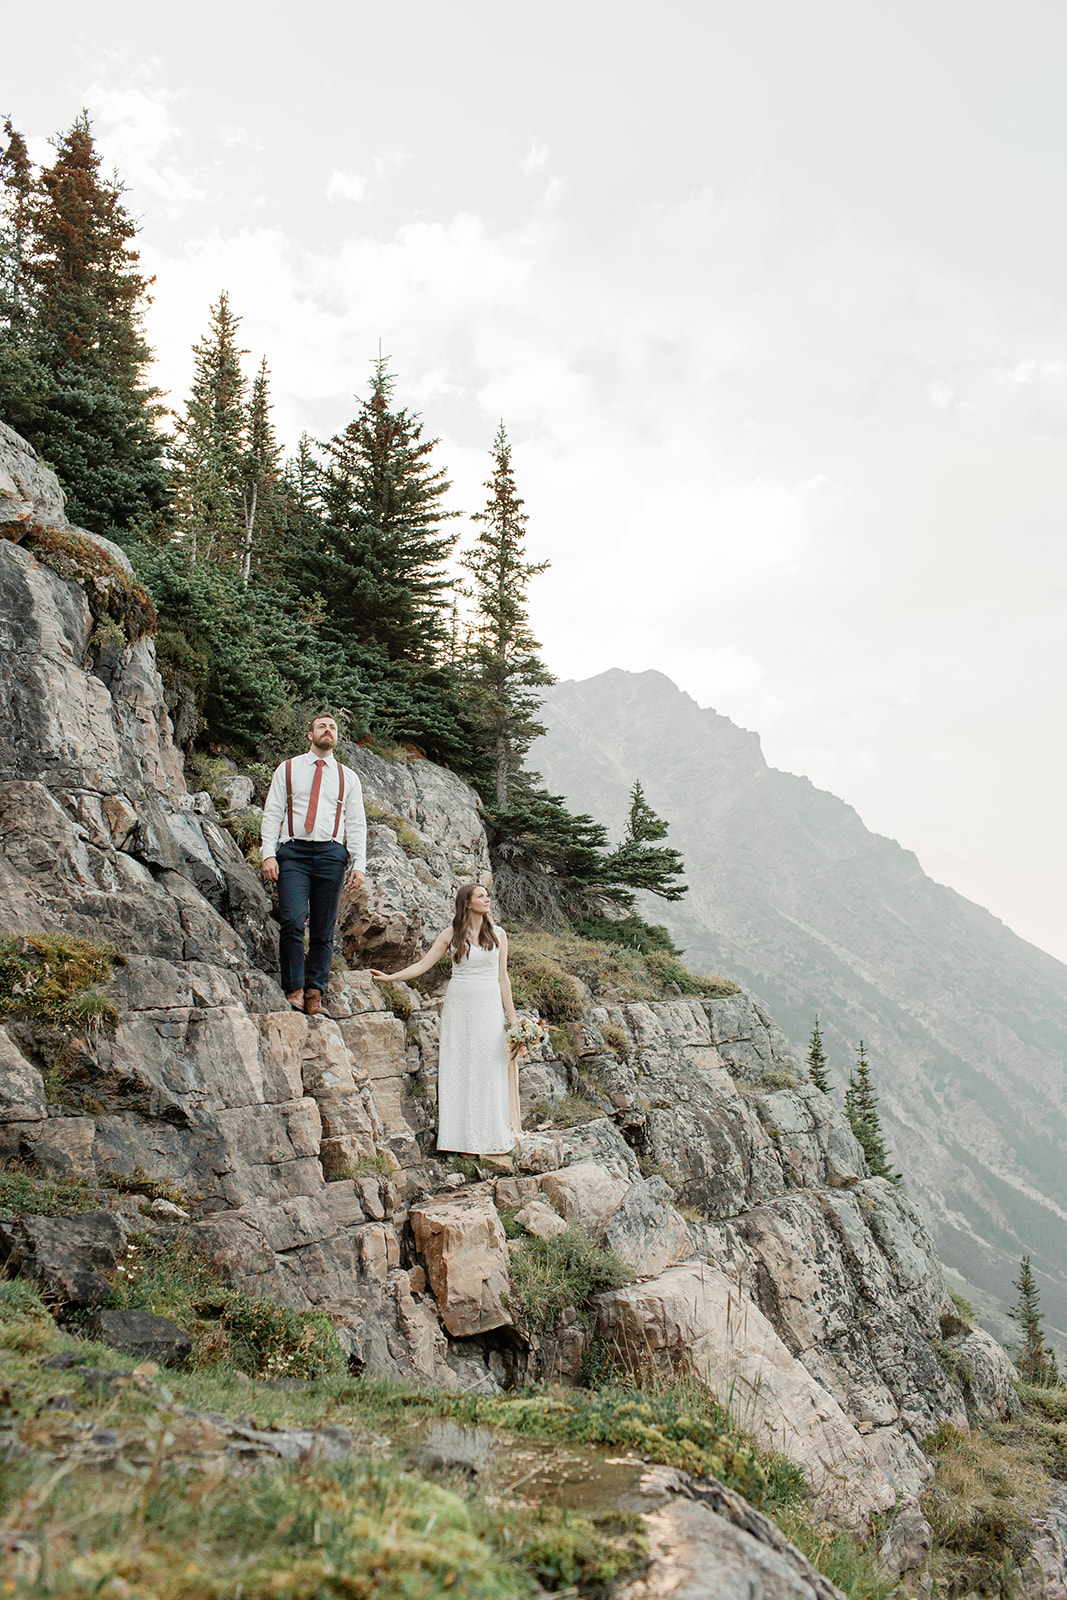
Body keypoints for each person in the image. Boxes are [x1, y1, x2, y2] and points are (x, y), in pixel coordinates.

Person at [370, 883, 520, 1156]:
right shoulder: (451, 935)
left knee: (489, 1066)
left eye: (487, 895)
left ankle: (491, 1134)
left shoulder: (499, 934)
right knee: (461, 1066)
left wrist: (512, 1018)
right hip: (460, 1006)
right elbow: (423, 965)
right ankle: (459, 1139)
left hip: (488, 1006)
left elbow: (503, 978)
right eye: (481, 896)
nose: (487, 899)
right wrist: (391, 978)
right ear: (467, 903)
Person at [261, 713, 367, 1016]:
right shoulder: (289, 768)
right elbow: (272, 812)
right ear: (310, 735)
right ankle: (293, 989)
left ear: (336, 737)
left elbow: (357, 823)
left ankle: (314, 993)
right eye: (322, 726)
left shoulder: (348, 777)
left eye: (332, 727)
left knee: (324, 928)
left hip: (332, 854)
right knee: (293, 922)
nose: (328, 730)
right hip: (293, 851)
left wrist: (359, 863)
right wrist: (269, 853)